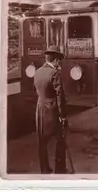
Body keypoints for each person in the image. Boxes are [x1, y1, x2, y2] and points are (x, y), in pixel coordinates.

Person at [34, 46, 68, 174]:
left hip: (40, 109)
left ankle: (44, 169)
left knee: (42, 141)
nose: (60, 64)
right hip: (53, 110)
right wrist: (63, 115)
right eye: (59, 61)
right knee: (60, 139)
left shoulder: (37, 72)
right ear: (56, 61)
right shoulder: (54, 74)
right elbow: (60, 96)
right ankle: (60, 169)